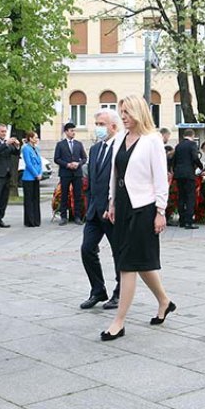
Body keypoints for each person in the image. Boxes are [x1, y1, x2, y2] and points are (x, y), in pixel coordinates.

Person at [102, 95, 174, 341]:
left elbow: (160, 178)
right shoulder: (120, 138)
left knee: (127, 264)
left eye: (127, 112)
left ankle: (119, 321)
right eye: (121, 112)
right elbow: (115, 172)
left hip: (143, 208)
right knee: (140, 261)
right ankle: (164, 301)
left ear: (139, 112)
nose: (123, 117)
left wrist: (160, 211)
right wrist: (111, 202)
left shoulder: (152, 140)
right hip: (122, 206)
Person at [80, 109, 121, 310]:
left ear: (113, 126)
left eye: (101, 124)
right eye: (96, 124)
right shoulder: (95, 149)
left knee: (119, 253)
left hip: (113, 212)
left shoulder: (121, 148)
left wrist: (112, 205)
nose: (98, 128)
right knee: (87, 249)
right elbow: (92, 181)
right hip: (95, 211)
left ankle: (120, 292)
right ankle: (97, 290)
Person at [0, 124, 20, 229]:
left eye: (5, 132)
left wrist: (17, 146)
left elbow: (15, 153)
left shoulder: (6, 143)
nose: (4, 133)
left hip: (7, 173)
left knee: (4, 199)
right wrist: (6, 144)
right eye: (2, 131)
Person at [54, 122, 87, 225]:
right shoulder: (60, 144)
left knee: (77, 195)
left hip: (77, 173)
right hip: (65, 173)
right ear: (66, 132)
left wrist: (78, 163)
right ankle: (64, 217)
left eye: (74, 130)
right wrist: (67, 164)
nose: (73, 132)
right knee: (64, 195)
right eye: (71, 130)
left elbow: (84, 158)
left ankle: (77, 216)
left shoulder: (78, 144)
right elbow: (56, 159)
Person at [173, 128, 203, 229]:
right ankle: (188, 222)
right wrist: (200, 166)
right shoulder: (192, 145)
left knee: (181, 196)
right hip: (189, 174)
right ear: (192, 136)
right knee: (190, 197)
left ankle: (181, 221)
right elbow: (195, 157)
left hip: (179, 174)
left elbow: (174, 160)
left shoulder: (178, 146)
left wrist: (174, 171)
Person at [21, 131, 42, 227]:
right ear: (30, 138)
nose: (37, 139)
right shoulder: (26, 148)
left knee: (36, 199)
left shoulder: (37, 148)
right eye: (35, 137)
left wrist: (40, 173)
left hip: (37, 177)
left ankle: (36, 220)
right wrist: (35, 174)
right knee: (29, 200)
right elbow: (28, 163)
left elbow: (40, 162)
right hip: (29, 178)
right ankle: (29, 220)